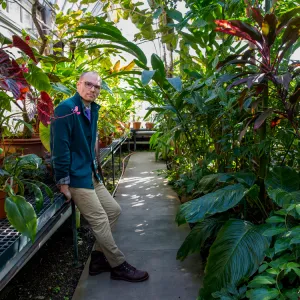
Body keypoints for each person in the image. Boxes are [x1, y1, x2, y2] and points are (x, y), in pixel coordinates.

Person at [50, 71, 149, 282]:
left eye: (97, 87)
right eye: (89, 84)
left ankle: (97, 258)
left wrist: (96, 167)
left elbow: (90, 140)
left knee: (113, 210)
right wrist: (63, 183)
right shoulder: (66, 109)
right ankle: (118, 264)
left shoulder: (91, 109)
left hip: (90, 174)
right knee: (100, 219)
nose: (93, 89)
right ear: (78, 84)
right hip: (76, 178)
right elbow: (60, 148)